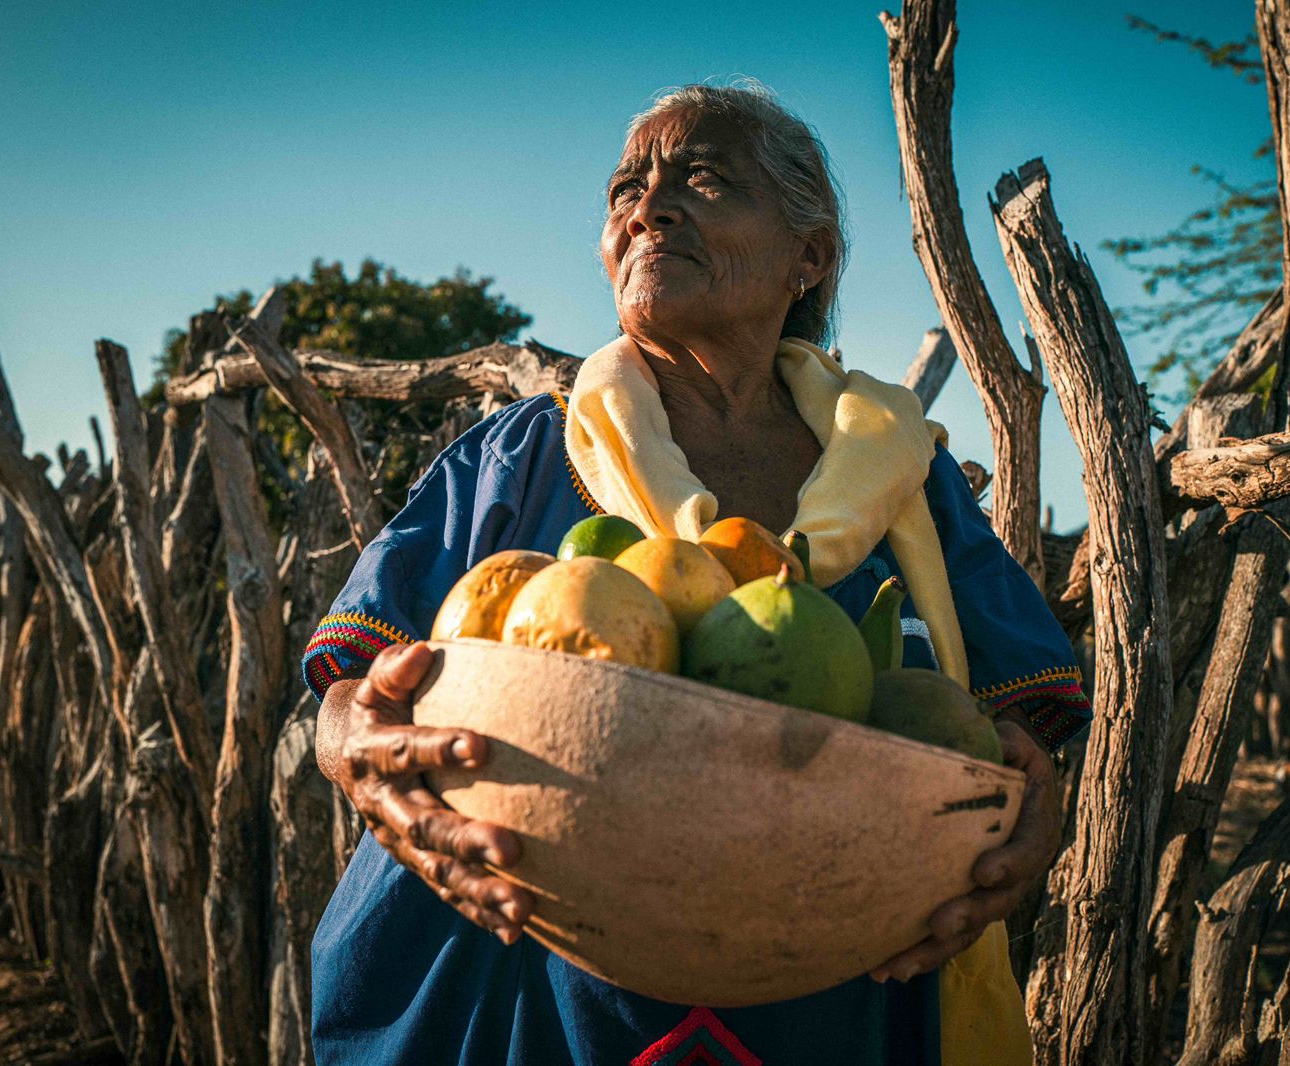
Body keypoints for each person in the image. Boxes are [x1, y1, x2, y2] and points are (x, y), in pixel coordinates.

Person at [304, 82, 1089, 1066]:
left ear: (810, 256)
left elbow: (1016, 733)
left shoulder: (905, 482)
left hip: (836, 1001)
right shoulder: (519, 460)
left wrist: (1033, 813)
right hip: (513, 986)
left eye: (704, 177)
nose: (648, 208)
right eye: (624, 189)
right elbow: (350, 692)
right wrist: (358, 749)